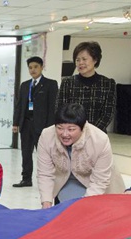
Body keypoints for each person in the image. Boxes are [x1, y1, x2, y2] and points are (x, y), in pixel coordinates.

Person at [37, 103, 125, 209]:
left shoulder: (100, 140)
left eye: (71, 129)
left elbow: (99, 181)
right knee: (63, 218)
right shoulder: (47, 136)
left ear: (83, 128)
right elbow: (45, 173)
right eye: (60, 128)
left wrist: (82, 209)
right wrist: (46, 203)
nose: (64, 134)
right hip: (64, 184)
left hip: (98, 188)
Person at [12, 56, 58, 187]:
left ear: (42, 67)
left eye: (36, 67)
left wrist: (50, 127)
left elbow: (52, 107)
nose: (33, 70)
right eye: (30, 68)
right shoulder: (25, 85)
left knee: (44, 155)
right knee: (26, 153)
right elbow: (19, 105)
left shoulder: (50, 84)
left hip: (43, 126)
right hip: (26, 124)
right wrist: (16, 123)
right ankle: (26, 179)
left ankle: (48, 179)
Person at [56, 41, 116, 133]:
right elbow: (60, 110)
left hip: (97, 135)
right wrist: (74, 130)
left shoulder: (108, 84)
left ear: (95, 60)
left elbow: (108, 114)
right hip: (71, 134)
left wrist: (90, 132)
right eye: (77, 60)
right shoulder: (67, 83)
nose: (80, 63)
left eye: (84, 59)